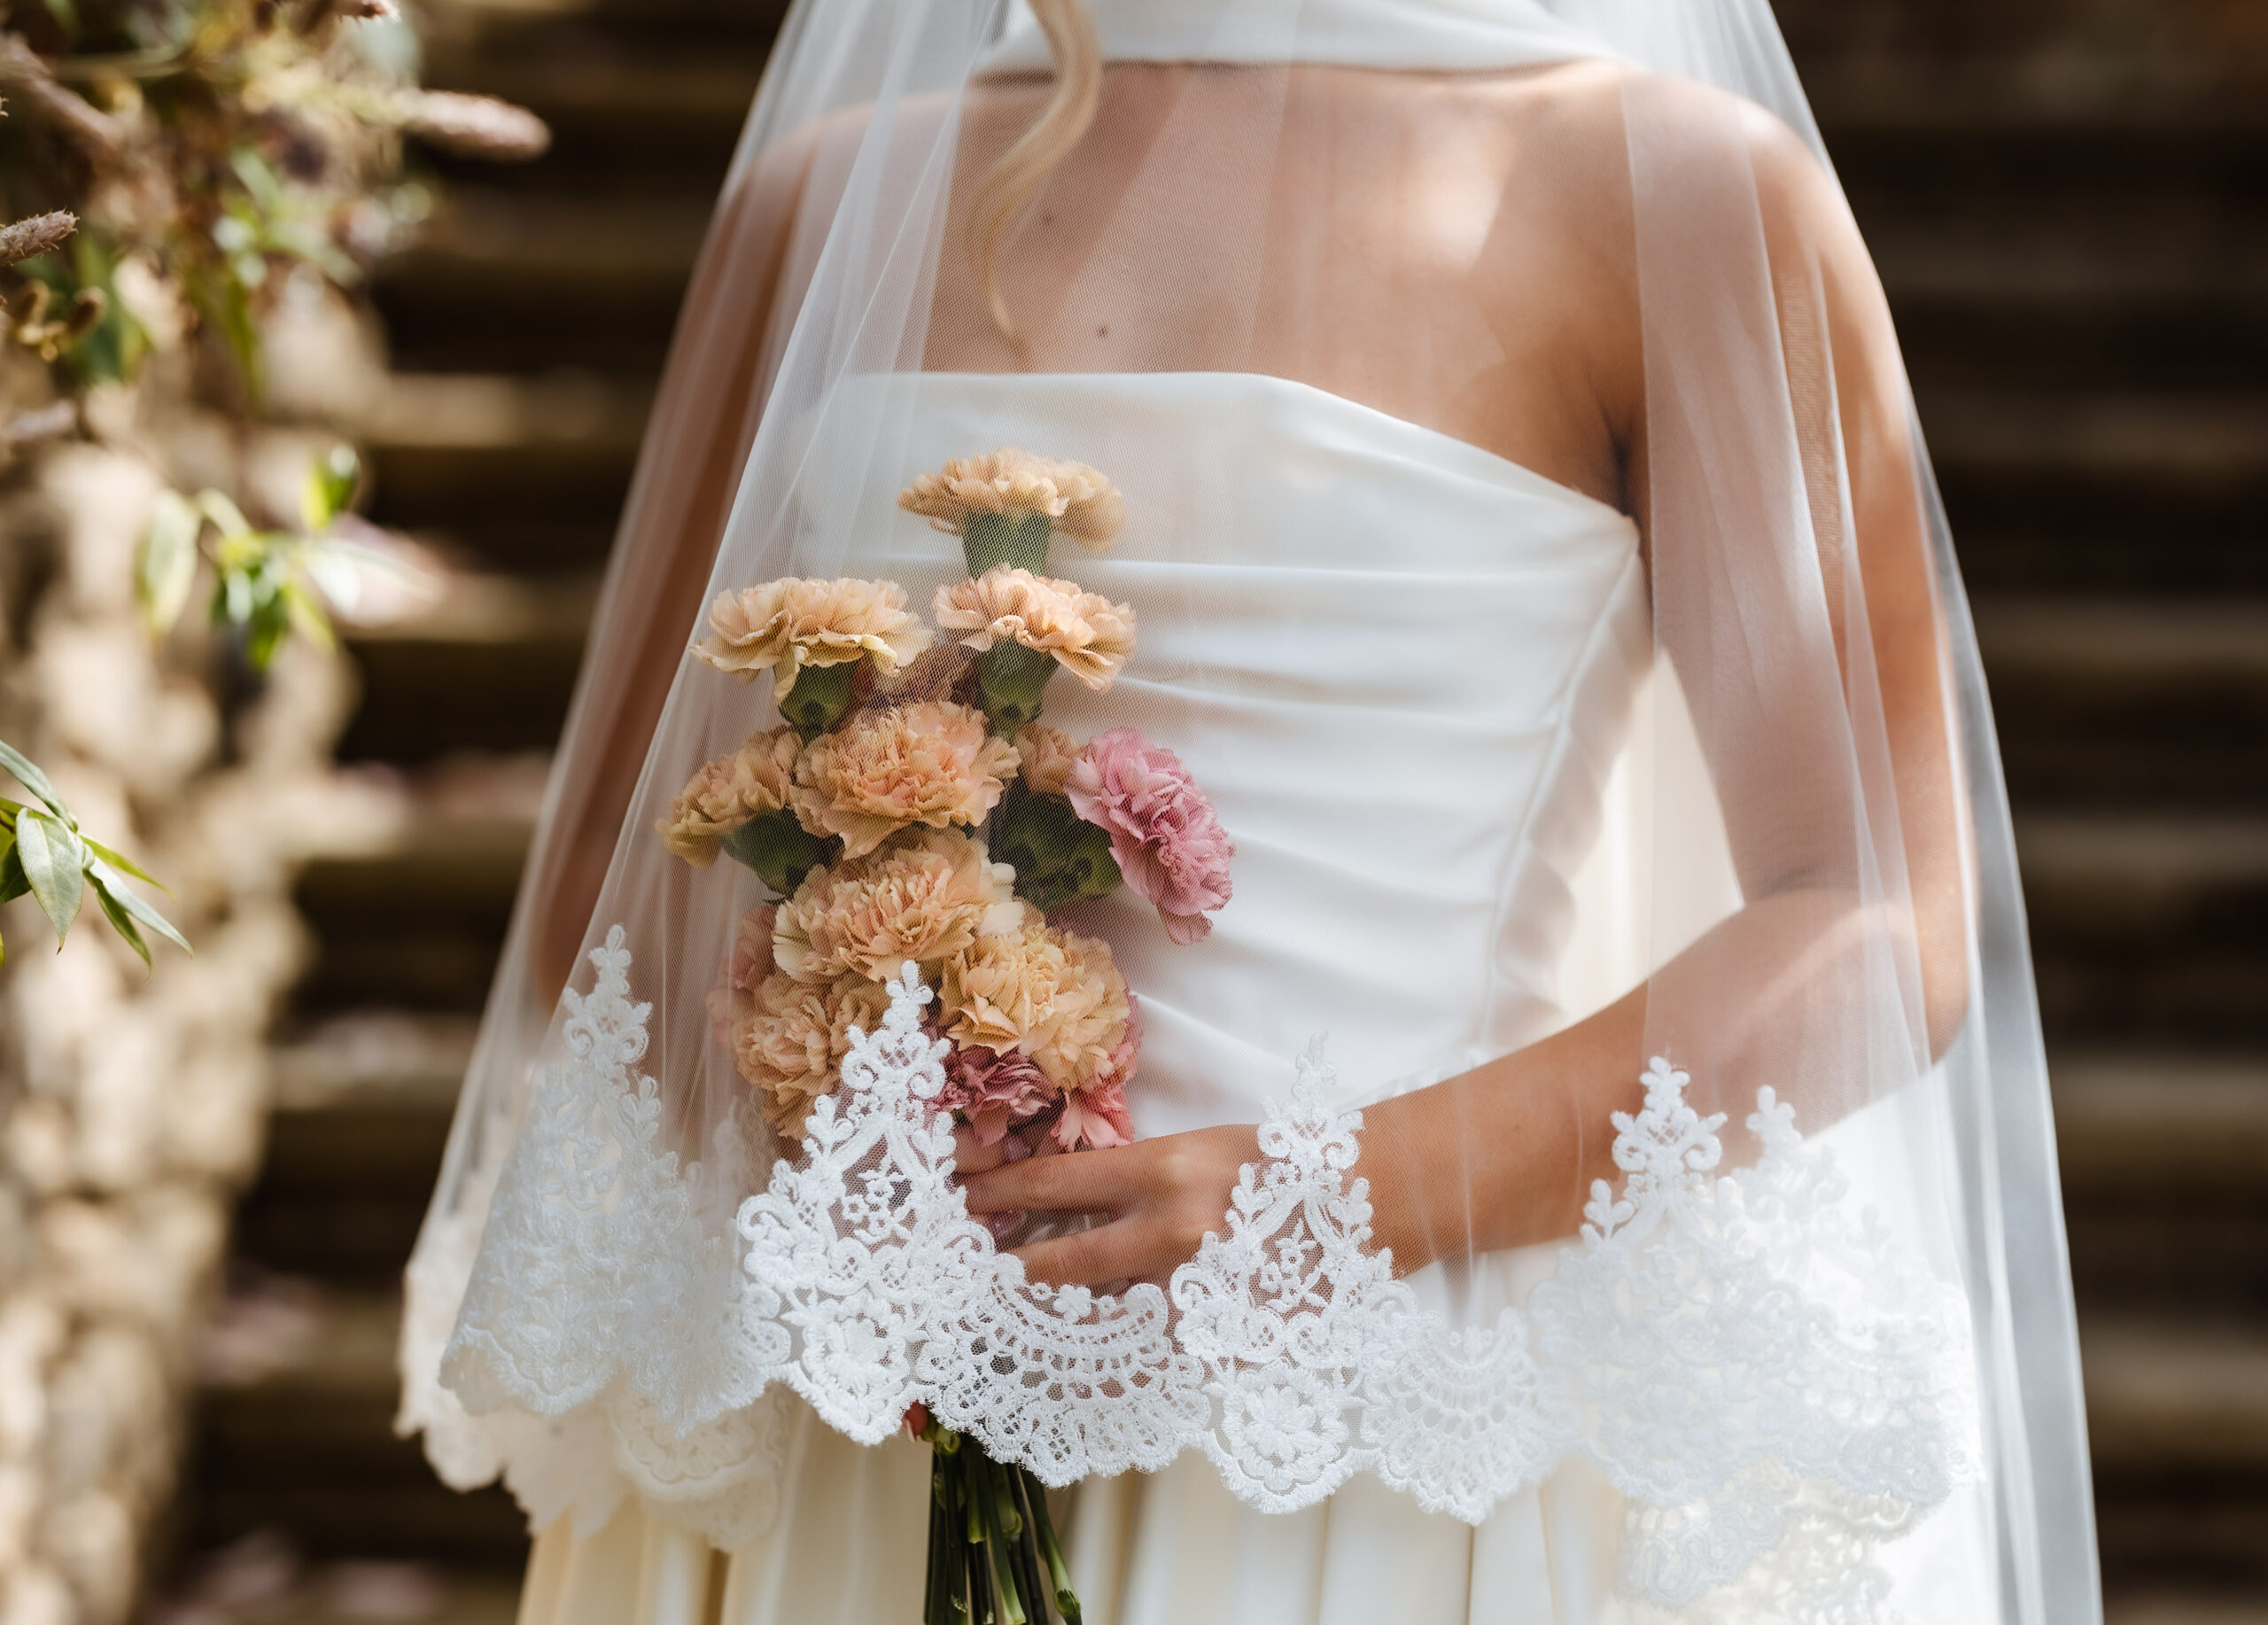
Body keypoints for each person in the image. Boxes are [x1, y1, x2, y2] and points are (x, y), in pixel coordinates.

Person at [398, 2, 2101, 1621]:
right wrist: (862, 1042)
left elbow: (1876, 918)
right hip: (864, 1410)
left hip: (1360, 1434)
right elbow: (605, 901)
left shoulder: (1678, 198)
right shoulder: (828, 200)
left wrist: (1340, 1195)